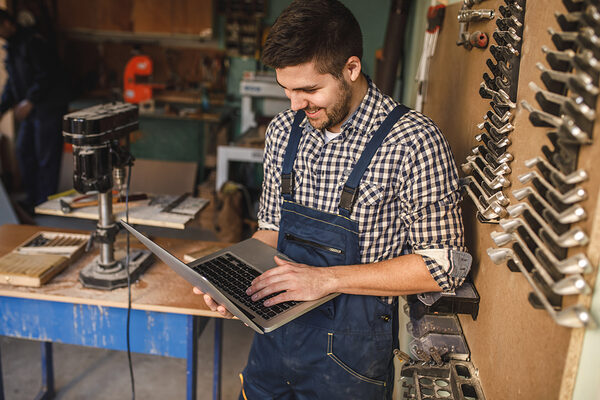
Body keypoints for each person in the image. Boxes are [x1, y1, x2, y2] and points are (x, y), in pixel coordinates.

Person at [194, 1, 471, 398]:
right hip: (273, 345)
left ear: (351, 69)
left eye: (308, 89)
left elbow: (443, 266)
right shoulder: (283, 131)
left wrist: (323, 280)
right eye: (286, 89)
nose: (294, 104)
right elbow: (271, 230)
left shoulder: (414, 142)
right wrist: (232, 278)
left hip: (350, 361)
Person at [0, 8, 69, 209]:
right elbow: (13, 84)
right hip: (30, 111)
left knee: (46, 158)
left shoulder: (33, 42)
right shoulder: (12, 47)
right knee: (24, 151)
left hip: (47, 108)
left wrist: (29, 100)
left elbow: (46, 74)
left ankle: (44, 203)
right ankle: (32, 199)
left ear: (8, 23)